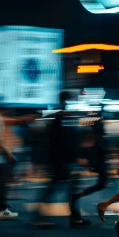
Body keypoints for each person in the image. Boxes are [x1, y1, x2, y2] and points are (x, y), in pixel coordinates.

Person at [33, 91, 91, 228]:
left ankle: (74, 217)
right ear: (66, 100)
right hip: (63, 161)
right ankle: (40, 217)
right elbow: (66, 141)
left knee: (62, 189)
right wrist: (77, 157)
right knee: (60, 189)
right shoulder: (63, 118)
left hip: (59, 160)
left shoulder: (57, 117)